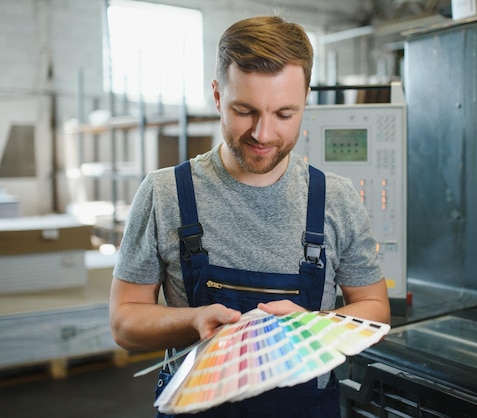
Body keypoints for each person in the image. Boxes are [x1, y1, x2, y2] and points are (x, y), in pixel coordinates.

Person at [109, 14, 390, 418]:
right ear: (218, 96)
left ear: (305, 100)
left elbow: (375, 307)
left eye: (284, 114)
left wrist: (314, 326)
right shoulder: (165, 193)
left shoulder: (336, 199)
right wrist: (194, 321)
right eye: (245, 110)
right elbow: (124, 323)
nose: (263, 133)